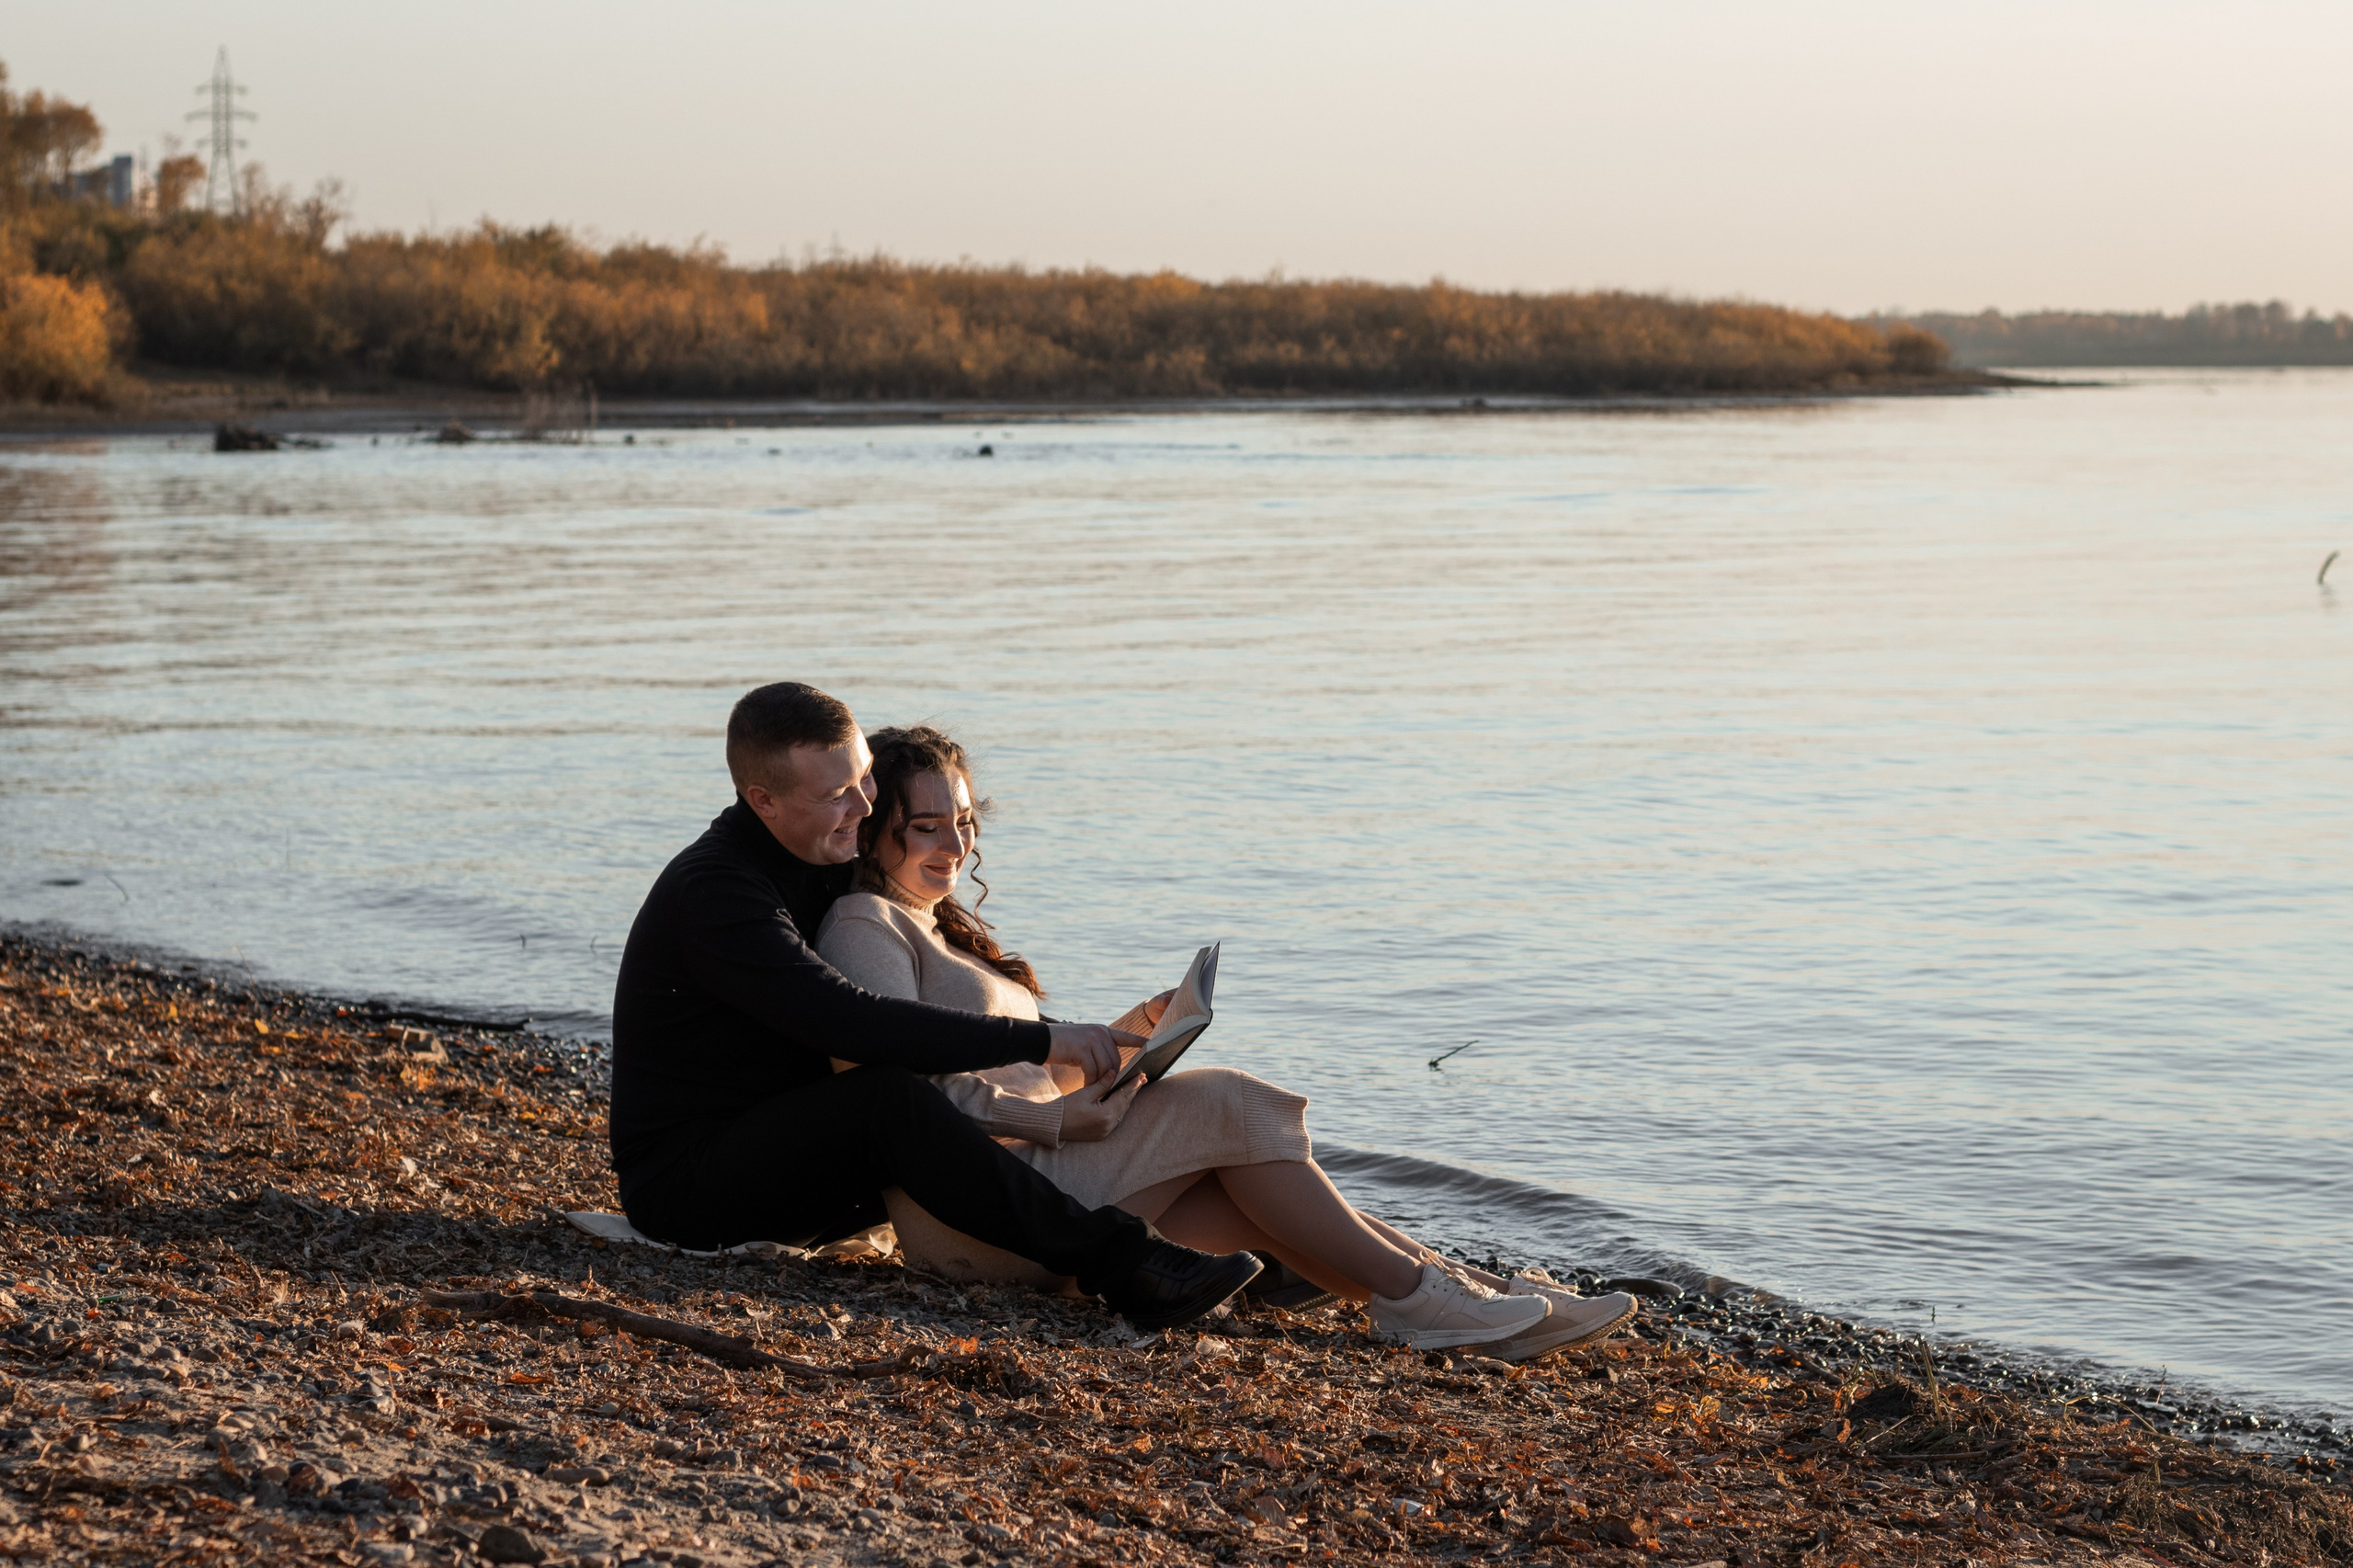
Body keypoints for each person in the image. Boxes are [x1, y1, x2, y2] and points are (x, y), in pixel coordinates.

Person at [814, 724, 1638, 1359]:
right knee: (1227, 1100)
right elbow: (902, 1098)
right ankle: (1434, 1303)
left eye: (962, 823)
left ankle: (1469, 1298)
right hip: (975, 1221)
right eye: (926, 828)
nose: (955, 847)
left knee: (1262, 1196)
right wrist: (1063, 1123)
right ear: (874, 825)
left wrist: (1136, 1033)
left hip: (1037, 1183)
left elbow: (1017, 1084)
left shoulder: (940, 930)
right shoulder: (863, 924)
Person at [608, 682, 1267, 1331]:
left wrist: (1094, 1038)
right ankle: (1127, 1264)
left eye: (863, 780)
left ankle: (1242, 1249)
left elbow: (914, 1003)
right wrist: (1038, 1043)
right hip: (692, 1186)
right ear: (764, 800)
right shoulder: (718, 895)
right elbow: (853, 1020)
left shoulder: (827, 852)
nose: (864, 806)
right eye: (837, 794)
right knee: (887, 1099)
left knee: (914, 1101)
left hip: (800, 1149)